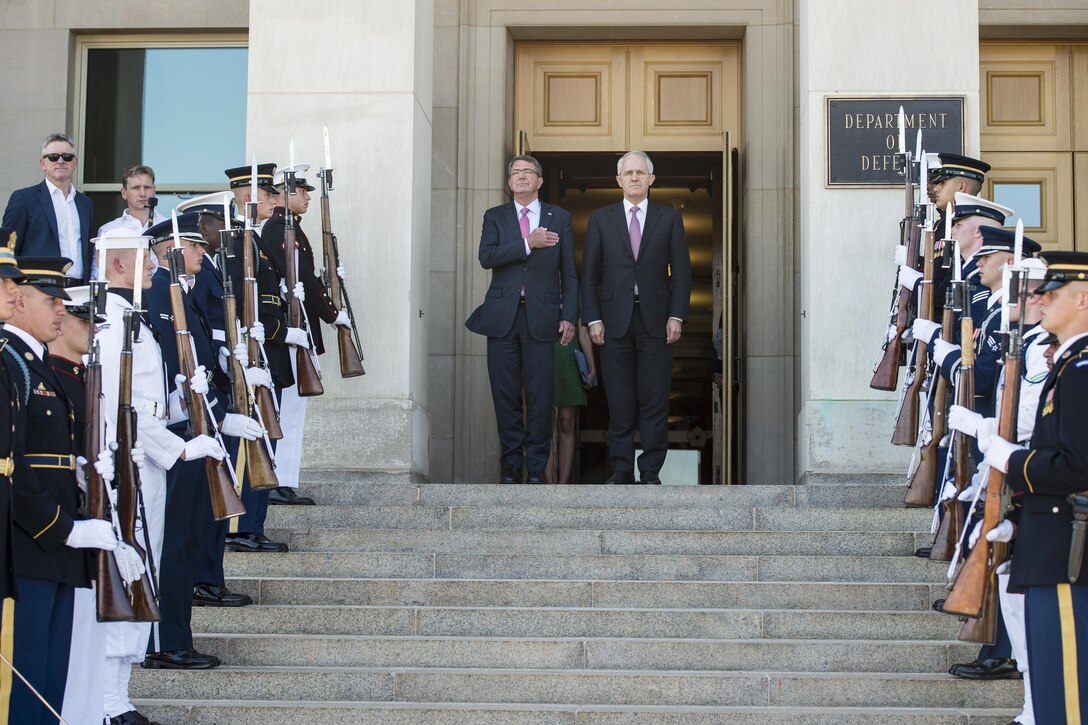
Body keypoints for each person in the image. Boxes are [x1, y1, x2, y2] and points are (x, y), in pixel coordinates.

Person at [94, 228, 224, 723]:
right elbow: (125, 411)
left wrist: (203, 411)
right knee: (128, 573)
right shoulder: (113, 328)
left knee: (141, 569)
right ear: (120, 266)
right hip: (130, 462)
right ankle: (108, 701)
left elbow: (152, 401)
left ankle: (119, 697)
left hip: (147, 461)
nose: (154, 266)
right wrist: (182, 447)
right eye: (144, 260)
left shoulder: (136, 322)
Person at [0, 256, 135, 724]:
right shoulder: (10, 363)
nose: (61, 310)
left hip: (55, 546)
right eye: (50, 300)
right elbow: (8, 467)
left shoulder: (34, 367)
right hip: (29, 545)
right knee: (24, 682)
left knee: (48, 683)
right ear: (18, 302)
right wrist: (64, 529)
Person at [143, 216, 263, 672]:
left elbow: (200, 360)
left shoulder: (183, 293)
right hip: (177, 435)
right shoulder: (160, 291)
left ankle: (176, 637)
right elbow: (176, 368)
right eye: (192, 245)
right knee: (174, 542)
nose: (200, 252)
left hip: (198, 429)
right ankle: (165, 640)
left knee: (187, 541)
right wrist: (219, 412)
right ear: (168, 247)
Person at [978, 251, 1088, 723]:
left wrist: (1011, 458)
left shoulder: (1082, 368)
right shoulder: (1070, 365)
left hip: (1068, 552)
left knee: (1065, 697)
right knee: (1050, 690)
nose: (1039, 301)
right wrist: (1019, 521)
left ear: (1083, 299)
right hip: (1049, 544)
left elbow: (1078, 467)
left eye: (1052, 293)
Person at [465, 154, 578, 484]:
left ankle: (537, 471)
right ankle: (512, 467)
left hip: (543, 317)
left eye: (528, 172)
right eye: (516, 173)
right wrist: (527, 243)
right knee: (506, 395)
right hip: (502, 318)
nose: (522, 177)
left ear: (539, 181)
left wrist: (569, 315)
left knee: (541, 396)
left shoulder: (560, 218)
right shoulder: (495, 217)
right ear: (509, 181)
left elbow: (569, 273)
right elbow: (487, 257)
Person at [581, 150, 692, 485]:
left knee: (655, 397)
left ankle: (650, 471)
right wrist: (593, 318)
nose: (634, 177)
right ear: (618, 180)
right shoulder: (601, 218)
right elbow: (589, 275)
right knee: (620, 399)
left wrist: (677, 315)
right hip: (613, 322)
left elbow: (682, 272)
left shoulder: (668, 217)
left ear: (651, 179)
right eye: (628, 173)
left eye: (640, 173)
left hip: (656, 321)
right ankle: (620, 468)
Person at [259, 162, 351, 504]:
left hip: (298, 326)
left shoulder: (291, 228)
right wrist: (331, 313)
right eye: (301, 191)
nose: (307, 198)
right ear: (283, 194)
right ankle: (278, 479)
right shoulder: (279, 229)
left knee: (294, 409)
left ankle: (285, 477)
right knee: (288, 409)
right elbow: (301, 282)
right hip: (290, 327)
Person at [222, 163, 291, 551]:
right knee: (254, 438)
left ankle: (254, 523)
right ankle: (242, 526)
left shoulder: (255, 239)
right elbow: (239, 304)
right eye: (268, 194)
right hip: (253, 353)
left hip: (268, 350)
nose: (274, 200)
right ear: (248, 197)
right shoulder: (236, 238)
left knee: (267, 437)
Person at [2, 133, 93, 283]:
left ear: (75, 162)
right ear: (42, 163)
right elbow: (8, 250)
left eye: (67, 157)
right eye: (53, 157)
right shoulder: (24, 199)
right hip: (39, 286)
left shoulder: (85, 203)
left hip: (79, 288)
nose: (61, 161)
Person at [543, 321, 596, 485]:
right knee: (545, 425)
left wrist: (591, 367)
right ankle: (548, 484)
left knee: (567, 422)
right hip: (543, 354)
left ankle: (563, 484)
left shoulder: (576, 294)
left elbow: (584, 333)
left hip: (569, 359)